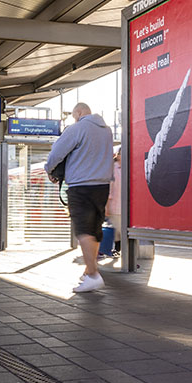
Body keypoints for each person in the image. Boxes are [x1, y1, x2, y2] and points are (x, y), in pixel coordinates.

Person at [45, 103, 113, 293]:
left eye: (75, 115)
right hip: (102, 185)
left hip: (81, 186)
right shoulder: (107, 131)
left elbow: (56, 152)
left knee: (83, 230)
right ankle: (88, 271)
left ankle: (93, 275)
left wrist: (49, 169)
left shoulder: (77, 128)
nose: (74, 118)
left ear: (79, 113)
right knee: (94, 230)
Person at [105, 146, 122, 256]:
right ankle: (115, 249)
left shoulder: (129, 167)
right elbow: (108, 188)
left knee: (120, 231)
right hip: (114, 205)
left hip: (126, 206)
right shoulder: (112, 168)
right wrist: (106, 206)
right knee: (117, 230)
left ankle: (117, 250)